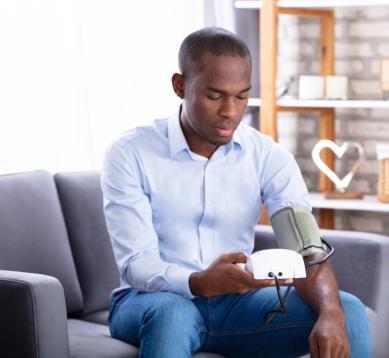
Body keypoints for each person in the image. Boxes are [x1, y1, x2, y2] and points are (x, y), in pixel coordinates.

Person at [101, 27, 370, 358]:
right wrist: (199, 282)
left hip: (238, 304)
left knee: (349, 311)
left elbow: (305, 248)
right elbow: (136, 263)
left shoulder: (268, 155)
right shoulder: (130, 153)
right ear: (180, 86)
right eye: (215, 96)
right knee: (175, 313)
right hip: (147, 301)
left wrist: (330, 312)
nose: (231, 110)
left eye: (242, 96)